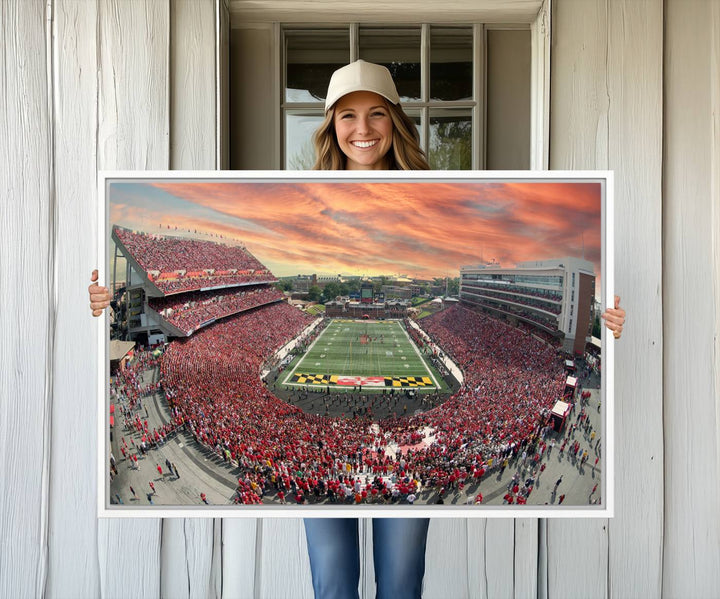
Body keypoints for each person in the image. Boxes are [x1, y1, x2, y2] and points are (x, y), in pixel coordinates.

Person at [87, 60, 626, 599]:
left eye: (376, 115)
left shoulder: (435, 192)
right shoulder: (303, 190)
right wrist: (108, 300)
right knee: (333, 582)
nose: (362, 130)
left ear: (395, 121)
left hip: (397, 481)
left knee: (400, 581)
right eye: (347, 115)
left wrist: (605, 318)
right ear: (330, 125)